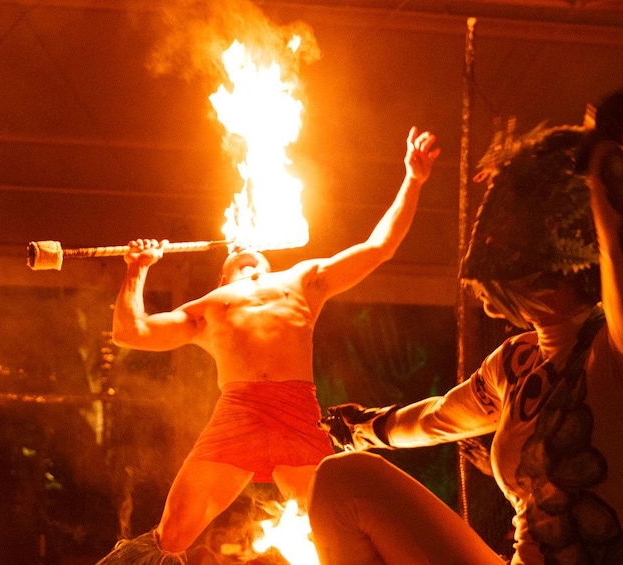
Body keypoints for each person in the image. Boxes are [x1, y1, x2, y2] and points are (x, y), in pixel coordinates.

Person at [312, 74, 623, 564]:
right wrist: (362, 429)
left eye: (501, 281)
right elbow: (438, 417)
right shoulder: (517, 363)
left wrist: (605, 152)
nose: (488, 302)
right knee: (343, 481)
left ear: (554, 271)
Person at [97, 127, 440, 564]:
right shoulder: (210, 305)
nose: (248, 252)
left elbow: (380, 247)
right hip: (238, 414)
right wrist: (137, 269)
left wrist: (412, 180)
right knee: (172, 534)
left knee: (336, 535)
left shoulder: (300, 280)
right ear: (222, 277)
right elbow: (132, 332)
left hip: (297, 415)